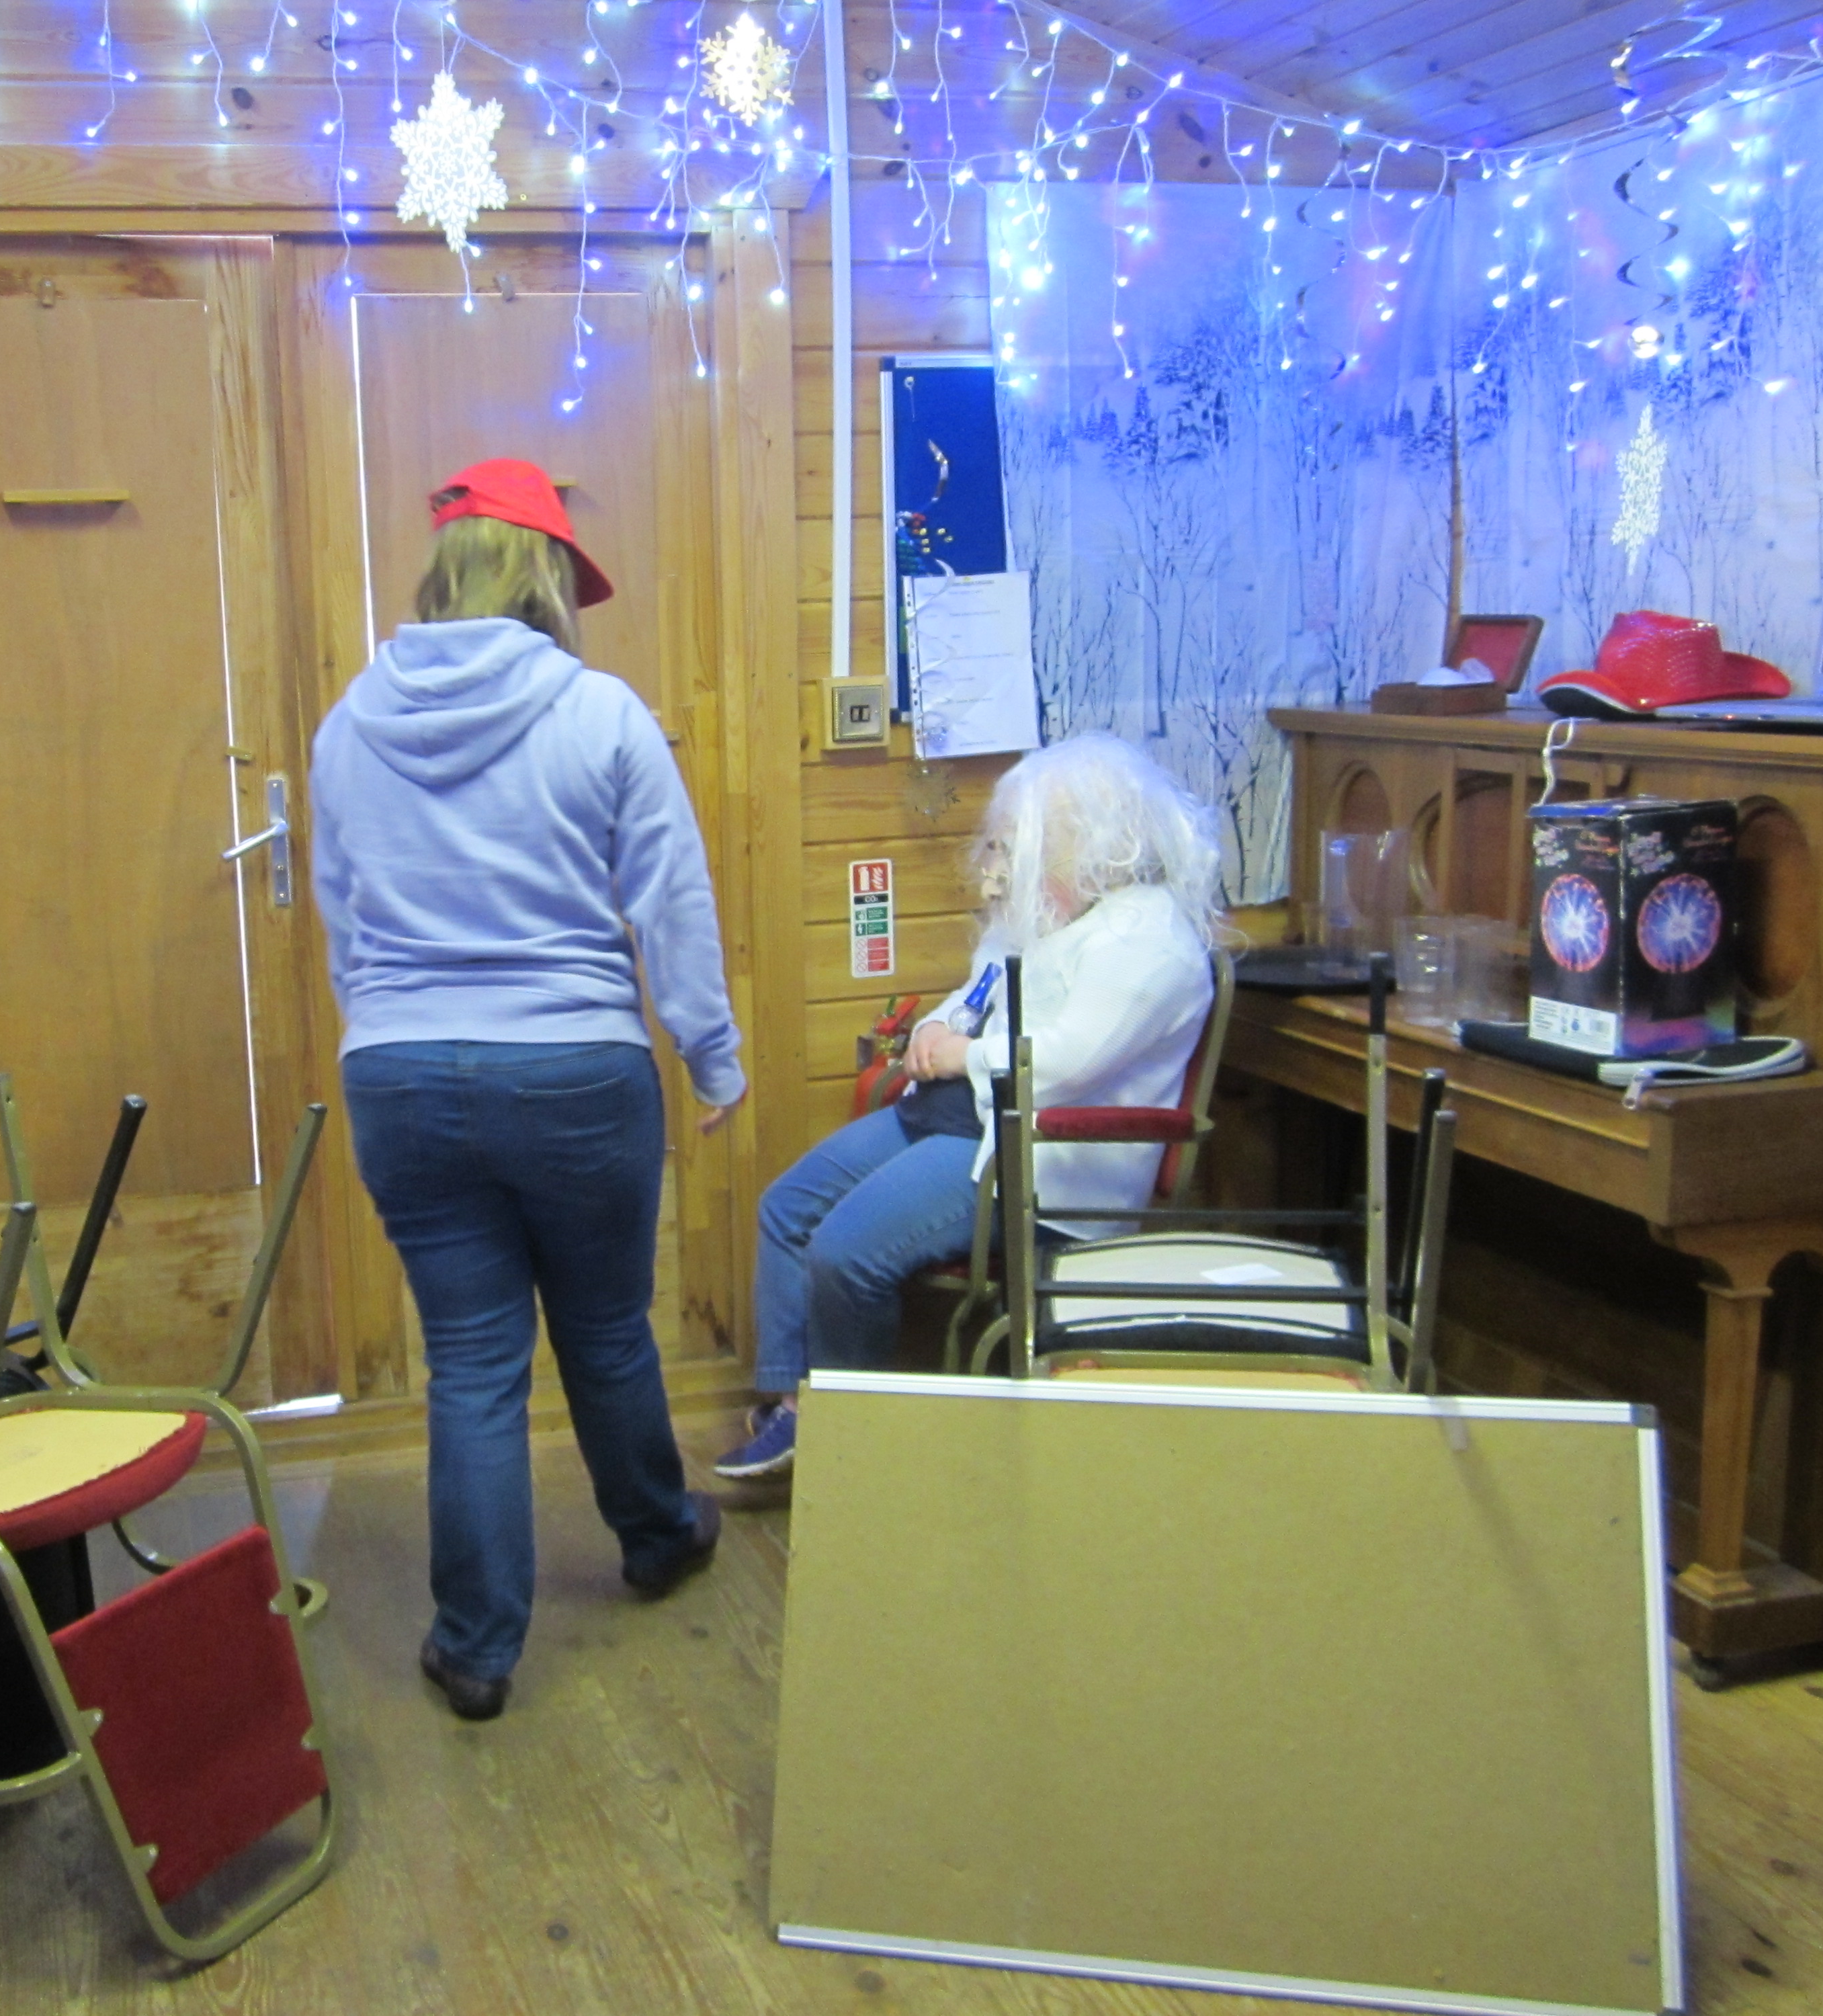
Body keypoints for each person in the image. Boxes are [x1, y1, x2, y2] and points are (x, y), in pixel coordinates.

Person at [310, 458, 743, 1723]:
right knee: (604, 1329)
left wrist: (389, 1027)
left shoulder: (349, 726)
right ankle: (657, 1537)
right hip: (574, 1071)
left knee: (471, 1358)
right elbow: (671, 899)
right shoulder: (601, 715)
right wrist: (711, 1052)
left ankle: (476, 1647)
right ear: (546, 574)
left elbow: (344, 918)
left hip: (400, 1075)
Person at [716, 733, 1222, 1481]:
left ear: (1088, 840)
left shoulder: (1150, 942)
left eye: (1018, 844)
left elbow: (1064, 1062)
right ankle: (797, 1405)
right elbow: (975, 994)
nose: (1000, 864)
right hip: (963, 1116)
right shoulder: (1055, 913)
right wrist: (934, 1030)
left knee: (844, 1252)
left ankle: (848, 1446)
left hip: (1037, 1154)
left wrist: (963, 1055)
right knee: (787, 1208)